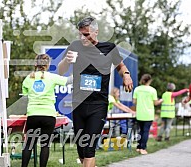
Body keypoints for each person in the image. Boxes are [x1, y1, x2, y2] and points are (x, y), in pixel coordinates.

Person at [58, 16, 133, 167]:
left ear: (96, 32)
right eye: (80, 34)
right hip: (78, 103)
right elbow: (60, 71)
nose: (82, 37)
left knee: (89, 147)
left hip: (98, 104)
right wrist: (67, 60)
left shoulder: (109, 48)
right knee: (81, 147)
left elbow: (121, 66)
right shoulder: (75, 46)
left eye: (86, 34)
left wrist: (126, 76)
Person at [21, 53, 72, 167]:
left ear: (36, 64)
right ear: (48, 64)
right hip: (48, 115)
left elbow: (24, 97)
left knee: (29, 144)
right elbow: (69, 81)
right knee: (45, 145)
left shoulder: (28, 78)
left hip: (33, 114)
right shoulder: (52, 77)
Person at [133, 74, 163, 155]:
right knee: (146, 131)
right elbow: (155, 103)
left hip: (139, 113)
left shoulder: (137, 89)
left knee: (141, 130)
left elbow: (134, 102)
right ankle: (143, 148)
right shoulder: (152, 90)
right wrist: (160, 101)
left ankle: (138, 147)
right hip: (148, 114)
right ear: (149, 80)